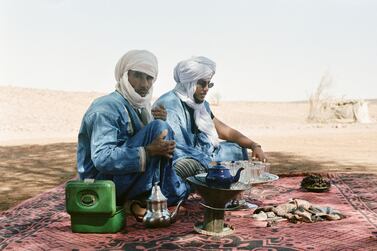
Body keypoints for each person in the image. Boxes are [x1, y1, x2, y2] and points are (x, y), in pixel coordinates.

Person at [76, 50, 189, 206]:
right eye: (137, 76)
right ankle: (148, 197)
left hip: (123, 178)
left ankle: (156, 193)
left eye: (149, 78)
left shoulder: (138, 107)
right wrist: (149, 151)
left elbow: (135, 140)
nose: (144, 84)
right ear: (124, 75)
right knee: (159, 127)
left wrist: (157, 126)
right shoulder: (106, 108)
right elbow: (102, 158)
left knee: (161, 127)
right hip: (100, 185)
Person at [153, 56, 267, 179]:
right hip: (183, 159)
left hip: (203, 155)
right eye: (202, 84)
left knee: (237, 149)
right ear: (188, 83)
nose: (206, 89)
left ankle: (212, 176)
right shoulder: (170, 104)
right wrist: (208, 162)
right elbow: (178, 149)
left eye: (209, 84)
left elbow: (224, 131)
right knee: (185, 166)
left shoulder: (201, 105)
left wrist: (254, 145)